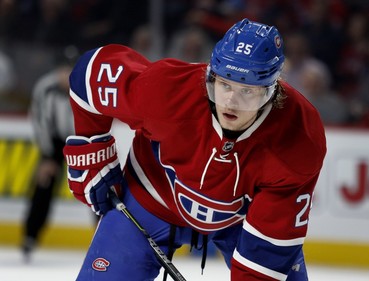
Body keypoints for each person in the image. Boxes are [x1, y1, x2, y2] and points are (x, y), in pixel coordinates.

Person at [63, 19, 326, 280]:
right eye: (224, 84)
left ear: (272, 91)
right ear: (211, 75)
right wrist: (92, 146)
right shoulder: (169, 91)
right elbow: (90, 72)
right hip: (150, 198)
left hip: (239, 222)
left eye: (247, 91)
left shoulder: (298, 138)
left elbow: (262, 262)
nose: (231, 102)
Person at [21, 47, 77, 260]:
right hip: (53, 142)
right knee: (44, 185)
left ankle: (103, 237)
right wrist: (46, 156)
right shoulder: (45, 88)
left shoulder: (83, 86)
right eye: (63, 69)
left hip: (79, 140)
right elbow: (40, 122)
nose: (66, 75)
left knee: (97, 186)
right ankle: (30, 236)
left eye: (70, 69)